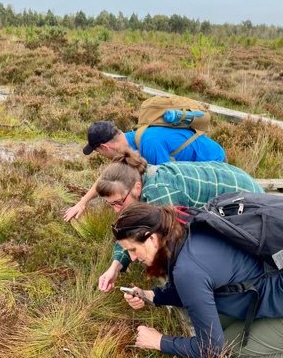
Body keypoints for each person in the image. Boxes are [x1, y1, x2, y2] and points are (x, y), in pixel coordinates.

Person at [112, 203, 283, 358]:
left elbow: (213, 350)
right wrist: (150, 295)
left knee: (230, 350)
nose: (132, 258)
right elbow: (195, 288)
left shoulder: (187, 269)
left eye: (133, 249)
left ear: (151, 237)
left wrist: (159, 341)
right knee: (217, 328)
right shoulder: (184, 227)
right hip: (267, 289)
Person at [96, 148, 264, 292]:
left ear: (136, 188)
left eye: (119, 202)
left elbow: (174, 244)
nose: (117, 210)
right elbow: (130, 232)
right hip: (234, 184)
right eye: (111, 204)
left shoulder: (159, 194)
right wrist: (115, 267)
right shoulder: (139, 178)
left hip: (246, 200)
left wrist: (167, 289)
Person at [64, 121, 226, 221]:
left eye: (99, 152)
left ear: (105, 147)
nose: (103, 157)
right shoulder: (128, 142)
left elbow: (169, 180)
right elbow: (108, 177)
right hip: (197, 163)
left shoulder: (149, 143)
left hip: (214, 164)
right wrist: (82, 203)